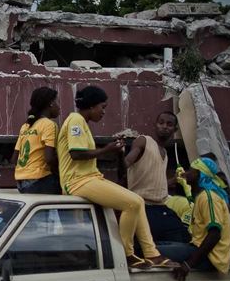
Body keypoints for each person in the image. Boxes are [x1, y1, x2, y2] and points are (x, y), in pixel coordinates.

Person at [57, 85, 170, 268]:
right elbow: (76, 154)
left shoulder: (82, 123)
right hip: (77, 181)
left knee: (138, 201)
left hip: (89, 178)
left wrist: (114, 151)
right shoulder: (76, 119)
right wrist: (107, 149)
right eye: (102, 107)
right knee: (132, 203)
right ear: (92, 106)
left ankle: (152, 253)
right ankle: (126, 254)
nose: (103, 112)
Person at [156, 162, 230, 281]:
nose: (186, 173)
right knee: (150, 245)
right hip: (196, 247)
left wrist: (188, 264)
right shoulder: (201, 196)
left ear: (199, 174)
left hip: (210, 257)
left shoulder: (209, 197)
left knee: (152, 251)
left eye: (190, 171)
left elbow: (214, 234)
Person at [124, 111, 188, 244]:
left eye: (169, 124)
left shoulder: (165, 152)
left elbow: (155, 183)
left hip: (160, 207)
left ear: (175, 129)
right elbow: (127, 162)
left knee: (183, 238)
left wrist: (174, 180)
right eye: (161, 123)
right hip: (143, 206)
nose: (164, 126)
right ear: (155, 125)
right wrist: (120, 156)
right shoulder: (144, 141)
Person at [12, 87, 61, 194]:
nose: (59, 106)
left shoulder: (25, 126)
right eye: (57, 101)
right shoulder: (49, 125)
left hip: (21, 183)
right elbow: (49, 159)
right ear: (51, 103)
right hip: (40, 180)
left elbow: (14, 159)